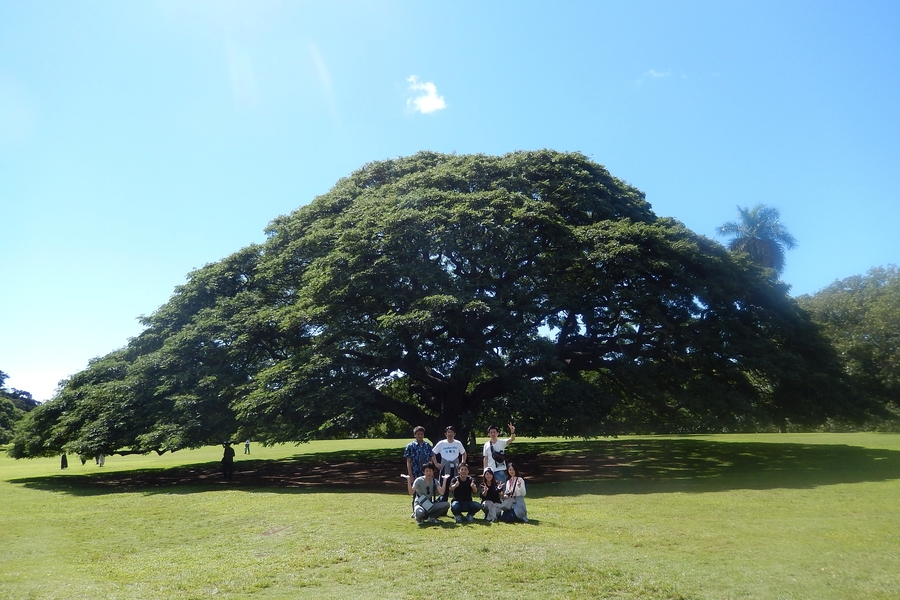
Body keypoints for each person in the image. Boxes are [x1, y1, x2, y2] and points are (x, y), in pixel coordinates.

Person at [432, 426, 466, 499]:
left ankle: (457, 501)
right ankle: (443, 501)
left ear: (454, 434)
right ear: (445, 434)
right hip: (444, 468)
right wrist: (436, 463)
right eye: (448, 432)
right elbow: (433, 453)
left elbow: (463, 453)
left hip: (455, 468)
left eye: (452, 432)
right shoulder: (441, 443)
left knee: (456, 485)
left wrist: (462, 463)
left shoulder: (458, 443)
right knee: (444, 486)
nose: (450, 434)